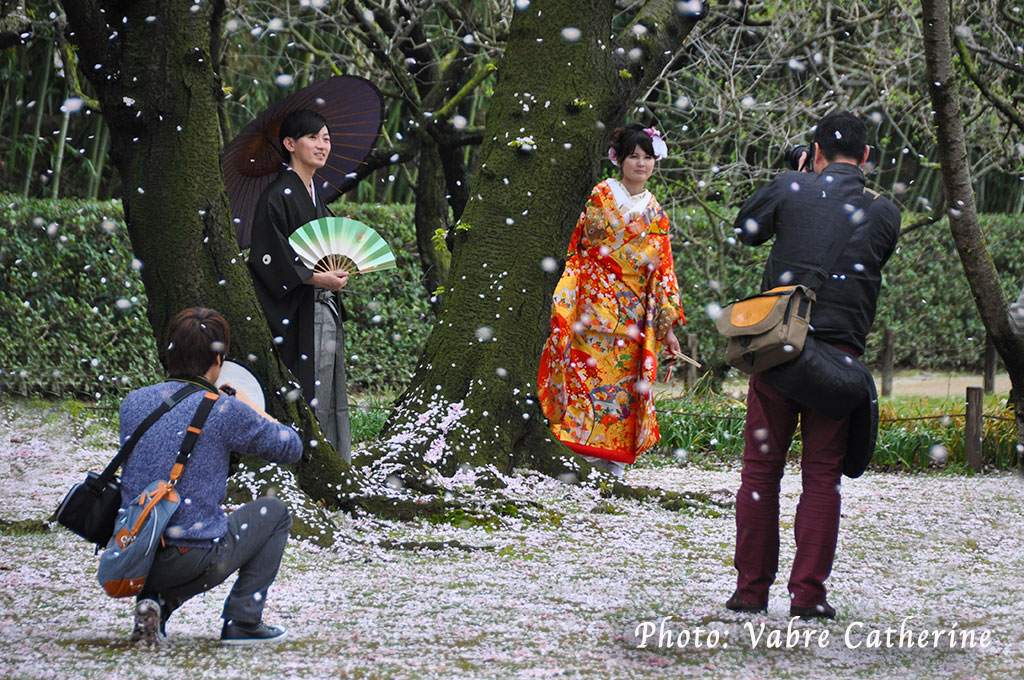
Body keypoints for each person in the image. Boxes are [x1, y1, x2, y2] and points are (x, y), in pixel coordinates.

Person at [727, 111, 900, 619]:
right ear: (866, 158)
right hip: (838, 364)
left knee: (761, 473)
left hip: (781, 351)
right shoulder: (885, 211)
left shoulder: (790, 186)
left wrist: (800, 183)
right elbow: (874, 257)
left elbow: (745, 230)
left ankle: (750, 592)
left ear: (816, 151)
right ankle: (808, 596)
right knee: (823, 477)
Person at [119, 307, 302, 645]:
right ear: (218, 362)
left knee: (178, 539)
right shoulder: (224, 410)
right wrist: (252, 408)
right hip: (192, 556)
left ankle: (156, 603)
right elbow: (291, 448)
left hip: (133, 551)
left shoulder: (134, 403)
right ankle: (243, 621)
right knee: (274, 514)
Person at [537, 123, 686, 477]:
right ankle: (578, 456)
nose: (640, 163)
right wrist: (565, 293)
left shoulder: (656, 213)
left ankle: (613, 461)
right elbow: (575, 247)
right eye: (633, 156)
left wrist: (665, 328)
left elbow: (662, 272)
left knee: (622, 388)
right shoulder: (599, 196)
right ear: (618, 159)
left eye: (647, 157)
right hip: (589, 304)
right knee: (583, 379)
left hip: (633, 314)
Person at [248, 109, 352, 461]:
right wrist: (312, 277)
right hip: (300, 310)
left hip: (324, 308)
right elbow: (267, 256)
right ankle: (306, 458)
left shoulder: (315, 198)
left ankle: (331, 458)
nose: (322, 145)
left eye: (326, 138)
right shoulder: (278, 196)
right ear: (290, 144)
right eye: (313, 137)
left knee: (330, 387)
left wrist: (339, 268)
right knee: (308, 387)